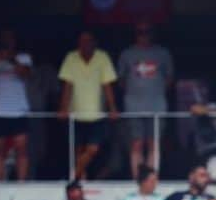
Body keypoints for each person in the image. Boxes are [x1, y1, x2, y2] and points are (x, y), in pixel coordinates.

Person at [58, 31, 118, 180]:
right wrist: (63, 108)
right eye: (82, 41)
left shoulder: (102, 57)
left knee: (92, 149)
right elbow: (67, 85)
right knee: (77, 150)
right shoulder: (71, 58)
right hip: (76, 113)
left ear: (94, 43)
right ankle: (80, 179)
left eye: (89, 41)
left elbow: (107, 85)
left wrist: (112, 108)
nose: (85, 44)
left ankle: (74, 176)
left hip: (96, 114)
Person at [118, 23, 173, 180]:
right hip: (133, 106)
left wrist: (155, 92)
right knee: (136, 143)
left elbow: (169, 78)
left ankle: (151, 179)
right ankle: (138, 179)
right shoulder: (127, 54)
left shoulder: (162, 53)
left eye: (147, 32)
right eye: (140, 32)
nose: (144, 35)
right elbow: (121, 80)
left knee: (153, 143)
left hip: (157, 106)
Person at [0, 29, 33, 180]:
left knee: (21, 149)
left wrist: (11, 59)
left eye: (10, 38)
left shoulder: (23, 56)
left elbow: (26, 74)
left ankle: (21, 183)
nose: (7, 41)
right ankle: (0, 184)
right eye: (5, 38)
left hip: (19, 110)